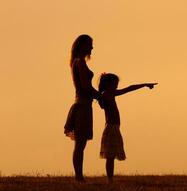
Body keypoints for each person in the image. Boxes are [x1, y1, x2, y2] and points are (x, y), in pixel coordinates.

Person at [98, 73, 157, 183]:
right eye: (114, 84)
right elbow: (129, 89)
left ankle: (110, 178)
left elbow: (129, 89)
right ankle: (109, 179)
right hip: (111, 128)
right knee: (110, 156)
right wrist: (144, 85)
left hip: (114, 127)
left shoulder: (108, 94)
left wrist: (144, 85)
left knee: (111, 155)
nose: (116, 86)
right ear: (108, 84)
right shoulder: (106, 94)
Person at [64, 34, 99, 182]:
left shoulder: (76, 62)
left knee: (81, 144)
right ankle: (79, 176)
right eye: (89, 44)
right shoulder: (80, 63)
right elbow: (86, 86)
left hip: (84, 104)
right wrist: (100, 96)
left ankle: (79, 175)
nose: (91, 47)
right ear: (82, 45)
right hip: (83, 106)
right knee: (80, 144)